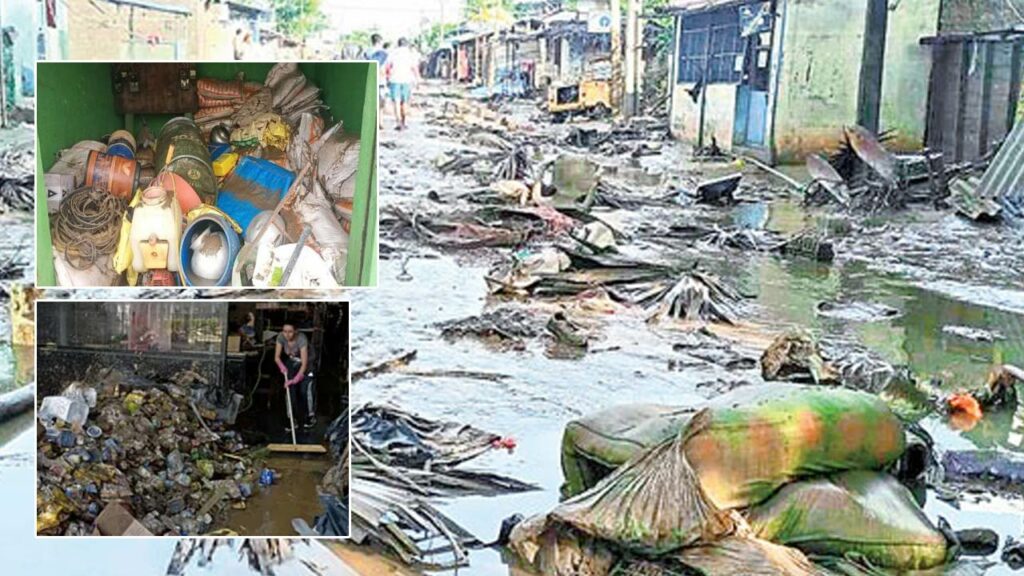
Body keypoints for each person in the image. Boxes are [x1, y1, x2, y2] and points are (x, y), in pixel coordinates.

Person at [275, 322, 316, 431]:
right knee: (289, 390)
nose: (287, 334)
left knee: (305, 390)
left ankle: (309, 416)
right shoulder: (281, 337)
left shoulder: (302, 339)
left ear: (296, 332)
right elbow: (277, 357)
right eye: (285, 331)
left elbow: (304, 362)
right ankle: (291, 419)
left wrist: (296, 378)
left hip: (306, 363)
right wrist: (281, 366)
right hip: (292, 362)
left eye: (290, 332)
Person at [385, 37, 420, 130]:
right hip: (407, 80)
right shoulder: (410, 54)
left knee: (396, 101)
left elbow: (388, 67)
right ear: (407, 44)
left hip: (394, 80)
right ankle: (404, 121)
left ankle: (398, 122)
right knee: (404, 101)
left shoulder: (392, 53)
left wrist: (387, 78)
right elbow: (414, 68)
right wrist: (418, 80)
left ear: (398, 44)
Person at [365, 34, 388, 130]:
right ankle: (380, 122)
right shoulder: (384, 53)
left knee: (370, 102)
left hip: (370, 79)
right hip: (381, 80)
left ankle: (371, 122)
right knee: (381, 103)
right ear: (380, 41)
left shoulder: (366, 52)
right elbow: (385, 68)